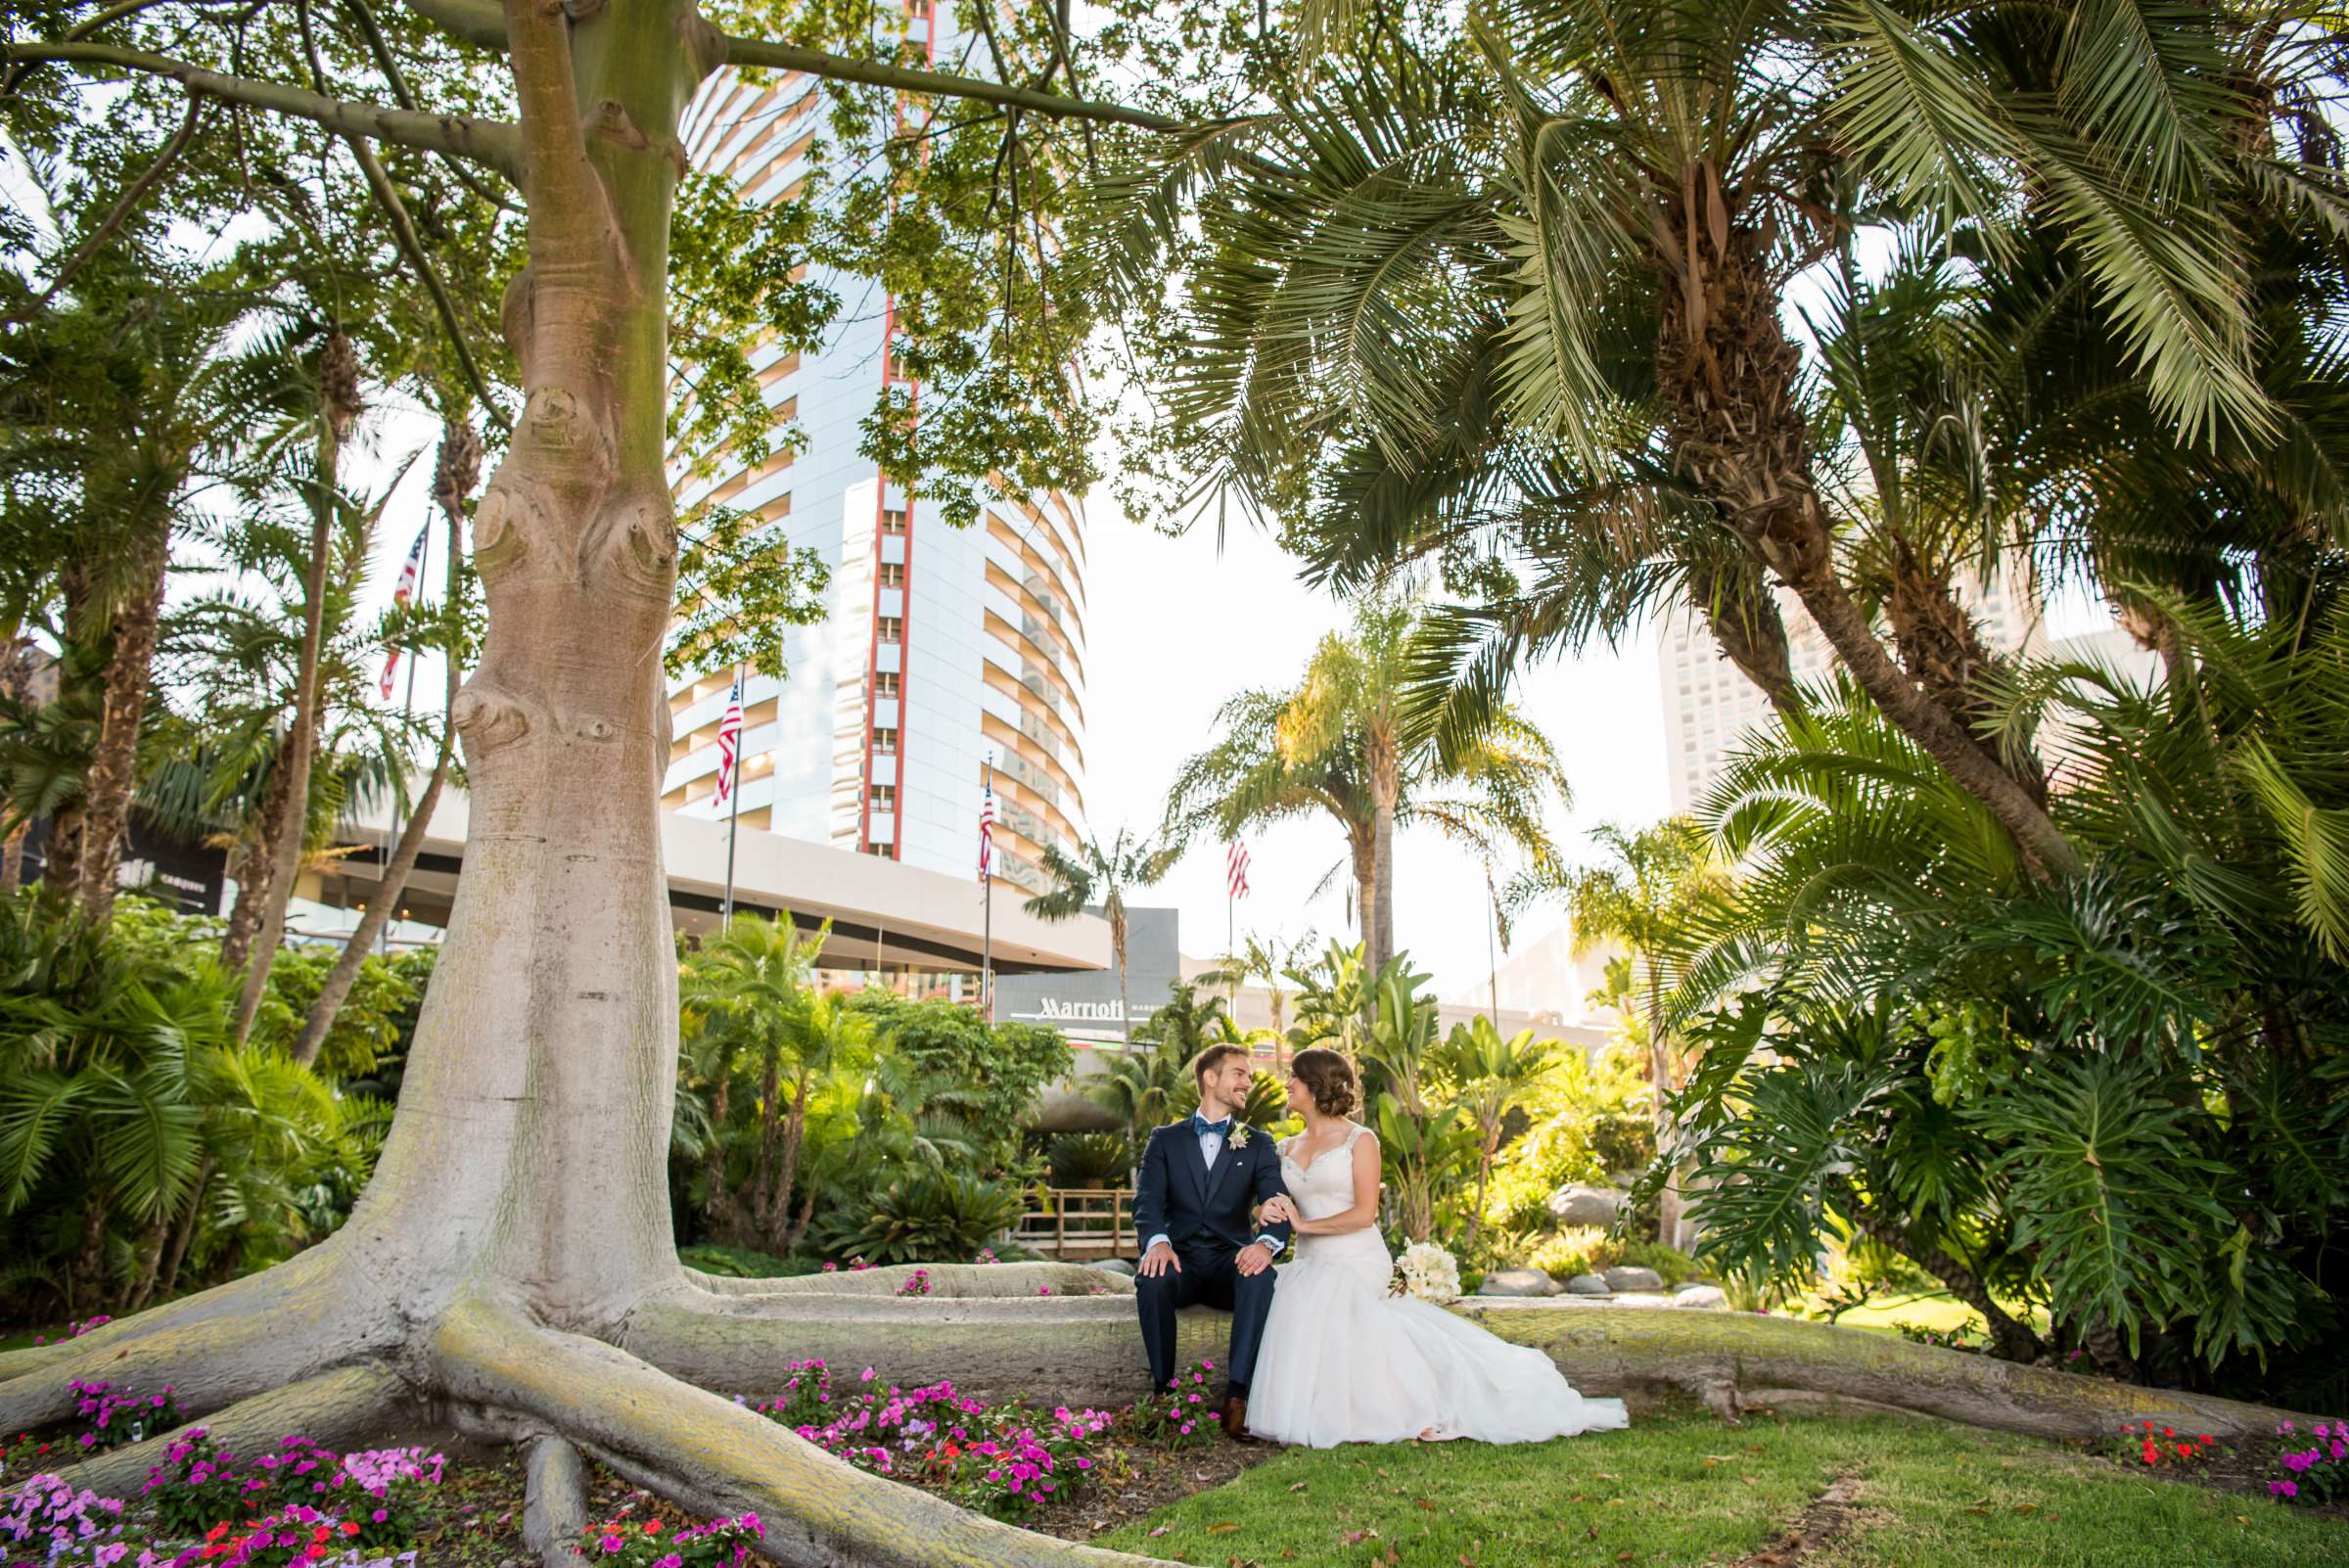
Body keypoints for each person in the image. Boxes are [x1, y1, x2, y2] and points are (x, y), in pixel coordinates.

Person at [1247, 1047, 1630, 1448]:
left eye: (1293, 1076)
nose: (1286, 1083)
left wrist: (1305, 1224)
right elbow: (1275, 1201)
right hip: (1309, 1257)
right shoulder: (1283, 1147)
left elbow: (1364, 1214)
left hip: (1354, 1256)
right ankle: (1326, 1411)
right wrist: (1268, 1208)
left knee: (1326, 1294)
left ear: (1314, 1085)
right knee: (1300, 1295)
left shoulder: (1360, 1140)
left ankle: (1409, 1407)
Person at [1129, 1041, 1292, 1440]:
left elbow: (1277, 1201)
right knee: (1152, 1279)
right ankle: (1164, 1394)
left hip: (1228, 1262)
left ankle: (1237, 1398)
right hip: (1180, 1259)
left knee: (1260, 1277)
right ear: (1210, 1077)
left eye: (1249, 1076)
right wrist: (1158, 1243)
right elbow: (1147, 1202)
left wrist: (1265, 1244)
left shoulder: (1258, 1143)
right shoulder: (1165, 1139)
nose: (1248, 1082)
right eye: (1239, 1073)